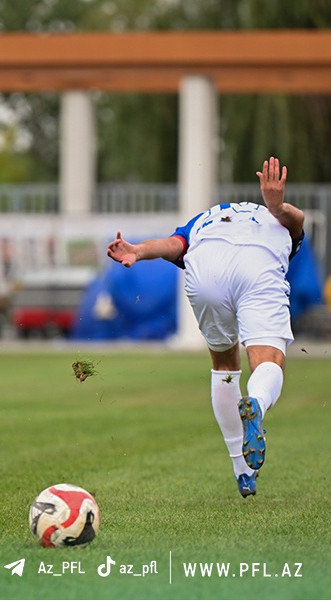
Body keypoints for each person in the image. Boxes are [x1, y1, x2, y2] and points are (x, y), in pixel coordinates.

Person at [107, 156, 304, 498]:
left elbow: (172, 246)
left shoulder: (204, 220)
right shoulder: (269, 218)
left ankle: (242, 470)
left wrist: (137, 250)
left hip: (205, 268)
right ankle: (255, 401)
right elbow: (296, 221)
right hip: (257, 264)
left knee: (225, 364)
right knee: (269, 359)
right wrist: (278, 205)